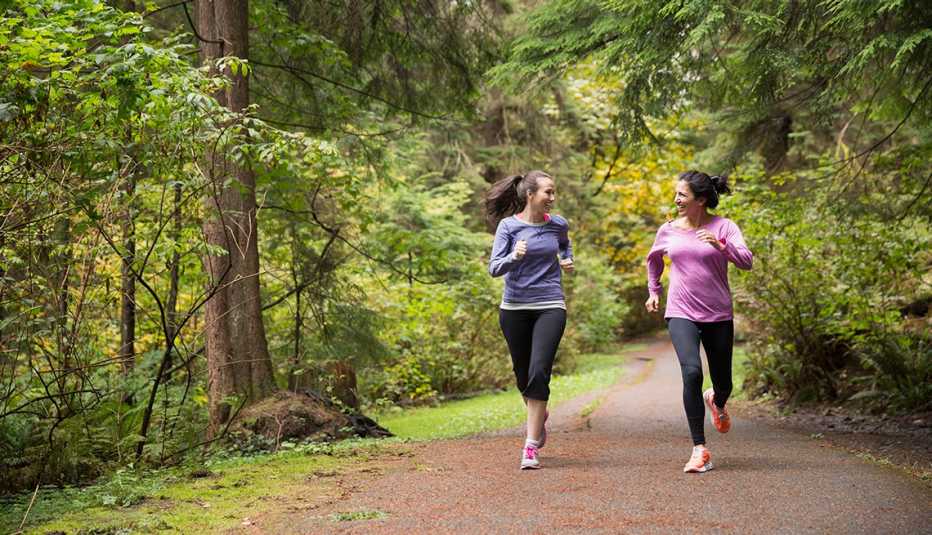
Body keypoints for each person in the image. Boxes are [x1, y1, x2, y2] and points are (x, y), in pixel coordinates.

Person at [645, 170, 753, 473]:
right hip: (680, 312)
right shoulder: (668, 230)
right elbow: (653, 260)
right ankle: (699, 448)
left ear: (701, 199)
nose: (676, 199)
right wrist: (654, 291)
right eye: (677, 194)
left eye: (682, 195)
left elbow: (747, 261)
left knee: (724, 383)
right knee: (691, 372)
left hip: (718, 313)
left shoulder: (725, 227)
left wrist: (723, 247)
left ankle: (717, 401)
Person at [486, 170, 575, 470]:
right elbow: (494, 268)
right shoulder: (508, 226)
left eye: (553, 192)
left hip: (550, 304)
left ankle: (531, 445)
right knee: (523, 376)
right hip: (514, 308)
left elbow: (564, 244)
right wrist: (514, 256)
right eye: (548, 192)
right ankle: (539, 413)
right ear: (530, 195)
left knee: (540, 370)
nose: (552, 198)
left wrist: (566, 259)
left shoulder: (558, 225)